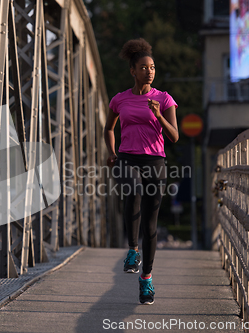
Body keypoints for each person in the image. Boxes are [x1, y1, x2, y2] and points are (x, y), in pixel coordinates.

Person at [104, 38, 179, 305]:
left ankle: (146, 279)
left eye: (153, 67)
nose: (149, 71)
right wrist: (112, 152)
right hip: (127, 158)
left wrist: (159, 116)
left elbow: (174, 137)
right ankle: (132, 250)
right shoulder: (120, 99)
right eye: (144, 67)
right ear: (133, 71)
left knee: (151, 225)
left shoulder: (164, 99)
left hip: (155, 162)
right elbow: (109, 128)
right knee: (133, 190)